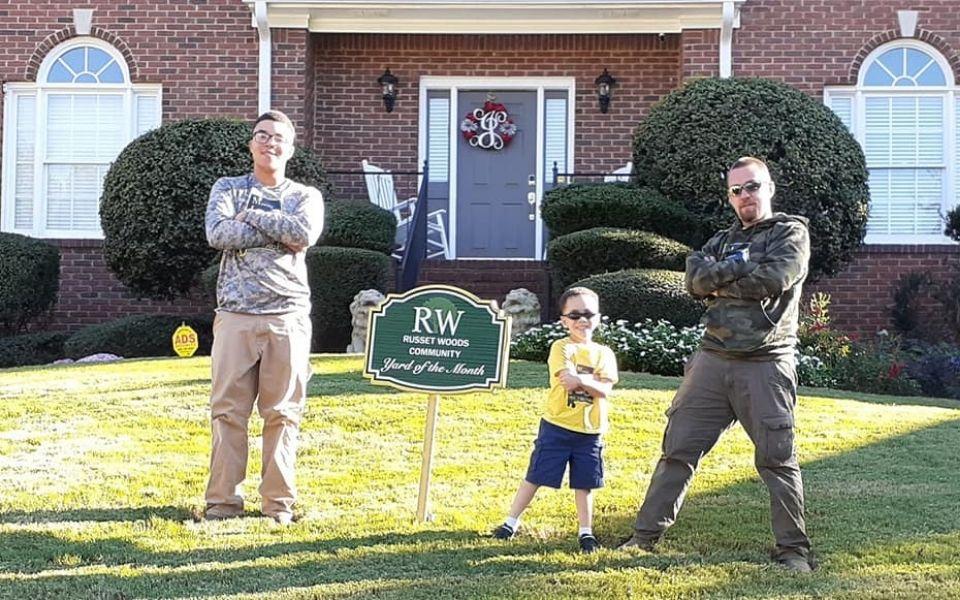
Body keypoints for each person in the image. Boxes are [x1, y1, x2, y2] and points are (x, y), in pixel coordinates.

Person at [619, 156, 814, 572]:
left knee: (777, 459)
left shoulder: (790, 233)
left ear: (770, 187)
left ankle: (793, 551)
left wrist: (719, 283)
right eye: (737, 190)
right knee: (677, 449)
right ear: (729, 196)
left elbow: (773, 279)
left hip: (765, 362)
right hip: (711, 360)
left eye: (753, 186)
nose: (746, 196)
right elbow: (693, 282)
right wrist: (737, 269)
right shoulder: (720, 241)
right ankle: (643, 537)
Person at [202, 109, 324, 525]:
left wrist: (252, 216)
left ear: (290, 149)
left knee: (283, 414)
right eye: (262, 135)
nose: (270, 143)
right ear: (251, 144)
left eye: (278, 138)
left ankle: (278, 505)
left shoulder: (305, 196)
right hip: (235, 316)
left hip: (286, 317)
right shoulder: (228, 188)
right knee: (227, 412)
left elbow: (303, 235)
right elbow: (218, 234)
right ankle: (222, 503)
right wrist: (279, 232)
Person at [492, 286, 618, 553]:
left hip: (591, 431)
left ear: (598, 317)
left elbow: (604, 389)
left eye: (588, 314)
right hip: (557, 426)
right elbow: (567, 381)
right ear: (563, 321)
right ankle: (510, 522)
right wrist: (591, 381)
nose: (582, 320)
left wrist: (583, 380)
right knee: (535, 475)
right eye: (575, 315)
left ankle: (586, 533)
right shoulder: (561, 347)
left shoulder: (604, 354)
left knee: (585, 483)